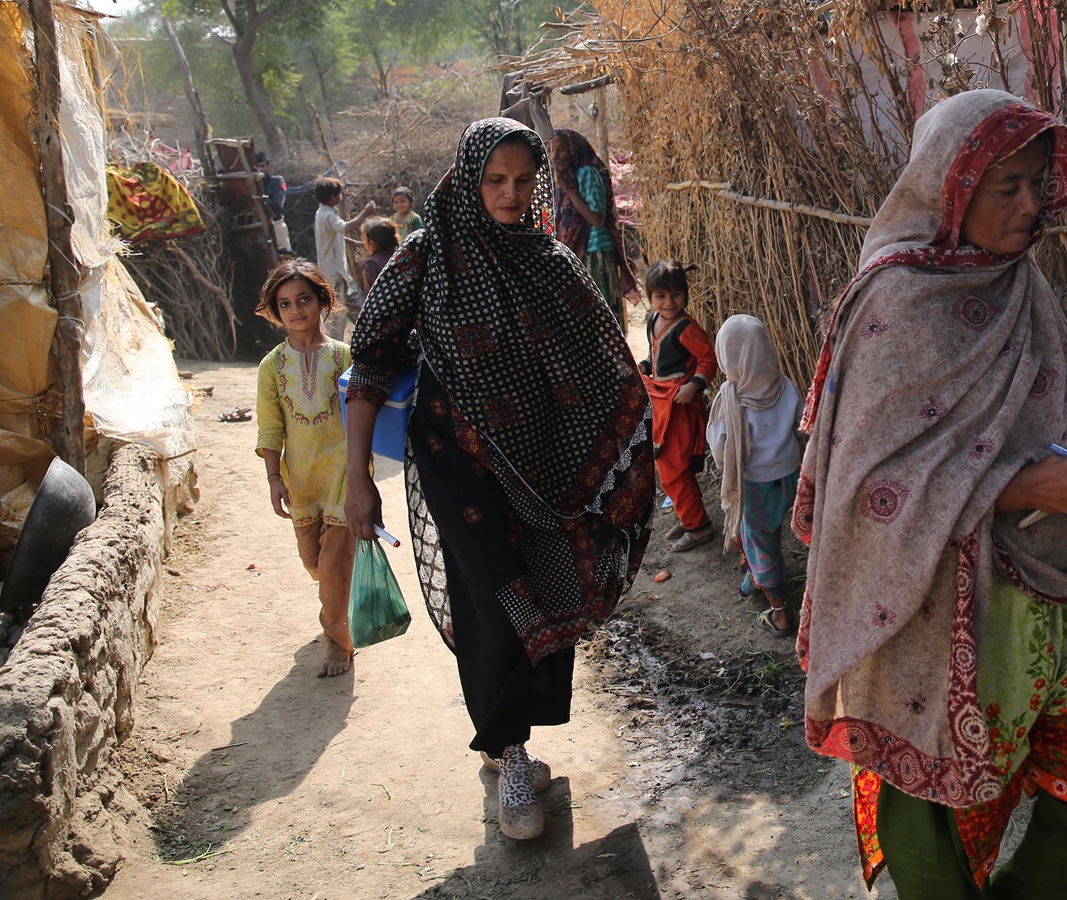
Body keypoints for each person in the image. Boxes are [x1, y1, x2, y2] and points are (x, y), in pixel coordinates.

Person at [795, 89, 1067, 899]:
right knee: (926, 802)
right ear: (952, 186)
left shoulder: (1020, 282)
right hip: (934, 600)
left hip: (1050, 587)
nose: (1031, 205)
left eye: (1038, 183)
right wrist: (1017, 487)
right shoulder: (894, 304)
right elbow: (866, 485)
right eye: (1008, 187)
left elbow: (1031, 406)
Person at [342, 118, 655, 842]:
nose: (510, 194)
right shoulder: (427, 257)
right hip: (456, 462)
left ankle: (512, 735)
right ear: (468, 180)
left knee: (545, 587)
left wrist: (622, 449)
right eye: (495, 180)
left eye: (522, 180)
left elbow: (604, 360)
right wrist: (358, 478)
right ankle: (510, 756)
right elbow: (371, 364)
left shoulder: (549, 261)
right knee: (495, 598)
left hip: (544, 468)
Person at [252, 260, 355, 679]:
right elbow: (270, 427)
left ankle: (338, 643)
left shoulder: (345, 357)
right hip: (301, 478)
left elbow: (360, 415)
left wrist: (363, 474)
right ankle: (334, 597)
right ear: (275, 311)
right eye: (285, 303)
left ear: (322, 302)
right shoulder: (271, 366)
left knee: (335, 559)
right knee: (314, 561)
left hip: (343, 473)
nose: (296, 310)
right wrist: (274, 478)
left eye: (304, 300)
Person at [706, 315, 802, 637]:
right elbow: (801, 425)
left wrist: (729, 469)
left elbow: (720, 449)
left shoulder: (730, 399)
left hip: (755, 485)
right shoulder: (785, 386)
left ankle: (779, 613)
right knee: (767, 531)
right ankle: (754, 577)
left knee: (762, 541)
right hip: (788, 478)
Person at [638, 260, 717, 553]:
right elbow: (657, 355)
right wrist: (646, 366)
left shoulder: (686, 328)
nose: (669, 302)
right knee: (669, 465)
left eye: (676, 295)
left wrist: (693, 385)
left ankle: (699, 527)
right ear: (650, 297)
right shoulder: (653, 321)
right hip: (663, 401)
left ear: (686, 294)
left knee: (674, 469)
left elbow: (708, 358)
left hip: (680, 406)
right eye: (661, 296)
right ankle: (690, 515)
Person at [549, 129, 627, 329]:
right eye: (551, 150)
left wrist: (567, 187)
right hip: (580, 255)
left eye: (561, 149)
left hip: (596, 252)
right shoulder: (565, 178)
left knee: (601, 318)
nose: (554, 155)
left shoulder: (586, 173)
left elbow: (597, 219)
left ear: (573, 150)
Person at [312, 177, 376, 337]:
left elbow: (335, 234)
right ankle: (335, 344)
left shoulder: (321, 213)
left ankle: (371, 332)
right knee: (337, 315)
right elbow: (346, 227)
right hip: (335, 273)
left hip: (339, 271)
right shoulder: (328, 216)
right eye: (339, 194)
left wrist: (355, 243)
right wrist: (365, 212)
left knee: (356, 303)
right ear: (333, 197)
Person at [360, 217, 398, 291]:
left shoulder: (371, 267)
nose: (363, 242)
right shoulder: (405, 256)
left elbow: (371, 296)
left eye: (364, 238)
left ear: (372, 243)